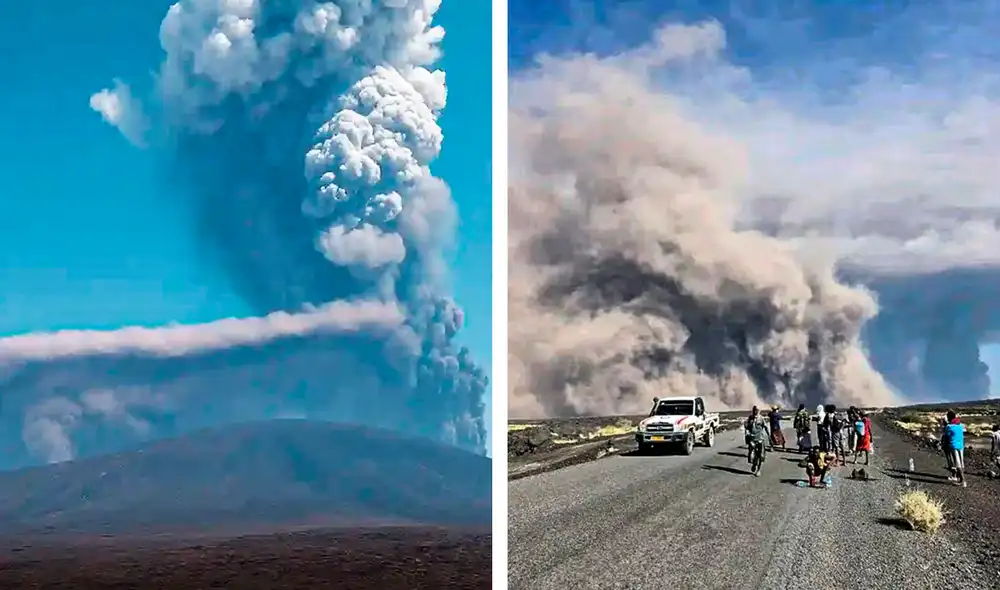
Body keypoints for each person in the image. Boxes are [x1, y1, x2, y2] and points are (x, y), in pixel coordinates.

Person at [942, 411, 967, 487]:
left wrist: (944, 446)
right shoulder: (960, 425)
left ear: (949, 417)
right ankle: (959, 479)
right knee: (960, 463)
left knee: (957, 464)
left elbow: (946, 438)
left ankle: (963, 481)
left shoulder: (949, 427)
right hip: (961, 446)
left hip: (953, 446)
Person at [745, 406, 770, 476]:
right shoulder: (750, 418)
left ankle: (759, 470)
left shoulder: (761, 419)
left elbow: (765, 427)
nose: (756, 411)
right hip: (752, 439)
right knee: (751, 457)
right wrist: (747, 434)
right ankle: (754, 464)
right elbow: (747, 427)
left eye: (757, 410)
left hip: (760, 439)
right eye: (755, 410)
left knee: (760, 456)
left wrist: (769, 436)